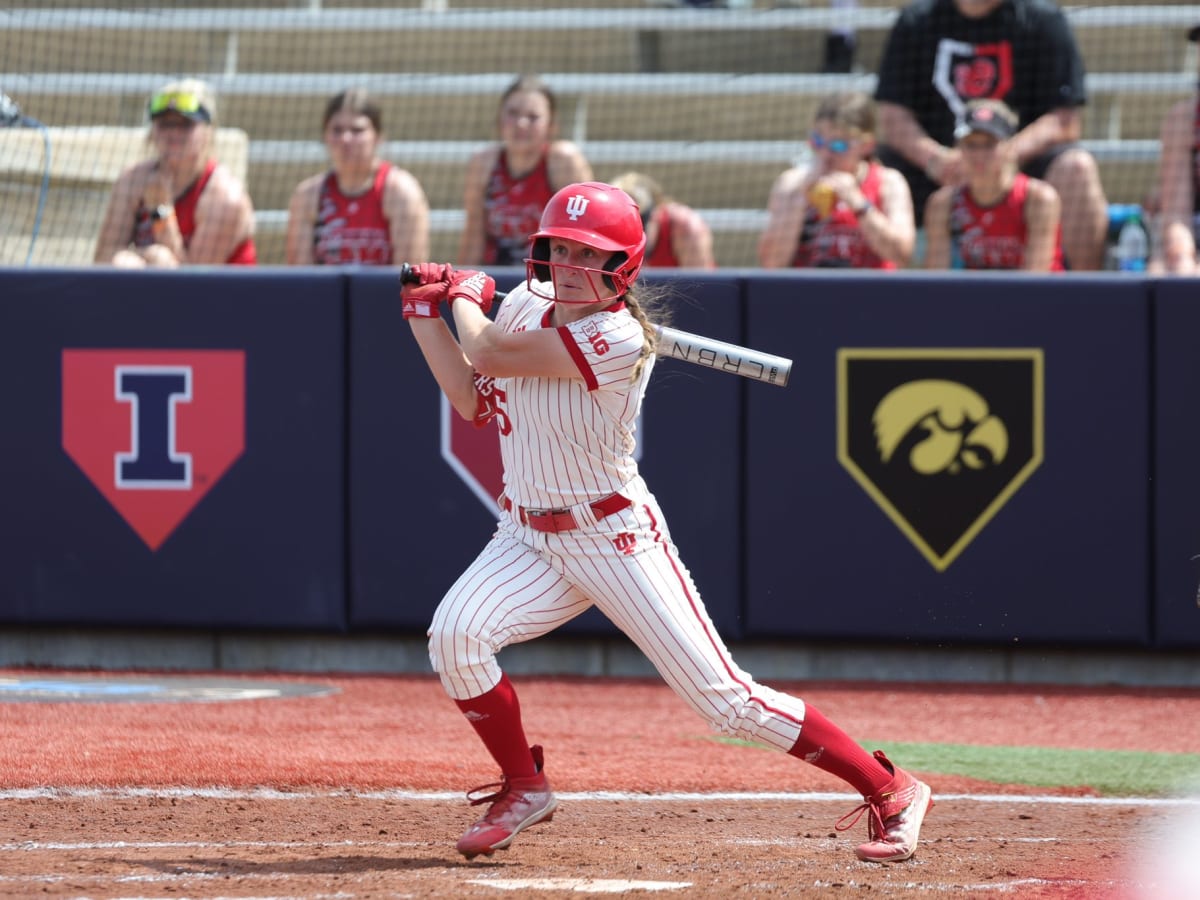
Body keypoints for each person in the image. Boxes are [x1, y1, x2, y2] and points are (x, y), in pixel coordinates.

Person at [400, 181, 934, 864]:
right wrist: (424, 312)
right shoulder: (529, 304)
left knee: (727, 703)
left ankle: (891, 789)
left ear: (622, 266)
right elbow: (475, 400)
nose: (567, 265)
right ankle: (524, 786)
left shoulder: (617, 338)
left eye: (587, 254)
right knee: (456, 637)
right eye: (558, 249)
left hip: (612, 538)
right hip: (528, 535)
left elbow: (492, 355)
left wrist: (468, 301)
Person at [874, 0, 1108, 271]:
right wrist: (938, 159)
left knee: (1076, 167)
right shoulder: (917, 21)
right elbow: (892, 118)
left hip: (1021, 167)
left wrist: (998, 156)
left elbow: (1064, 120)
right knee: (873, 171)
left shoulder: (1043, 20)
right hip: (938, 169)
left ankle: (1086, 299)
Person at [94, 79, 256, 267]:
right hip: (160, 289)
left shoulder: (225, 197)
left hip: (224, 295)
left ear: (208, 131)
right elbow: (103, 260)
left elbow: (194, 285)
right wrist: (136, 260)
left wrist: (160, 213)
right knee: (122, 262)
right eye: (165, 124)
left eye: (185, 124)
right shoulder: (132, 180)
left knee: (160, 259)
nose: (174, 133)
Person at [758, 92, 915, 269]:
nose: (825, 154)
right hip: (806, 291)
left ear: (867, 145)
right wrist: (798, 200)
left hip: (871, 292)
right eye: (818, 141)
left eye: (838, 145)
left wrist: (858, 203)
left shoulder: (889, 182)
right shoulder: (791, 183)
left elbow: (901, 255)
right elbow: (771, 263)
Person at [458, 74, 593, 267]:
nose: (521, 124)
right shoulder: (483, 162)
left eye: (533, 117)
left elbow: (582, 235)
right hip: (496, 276)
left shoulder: (563, 162)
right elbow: (473, 236)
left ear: (551, 125)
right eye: (512, 113)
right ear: (499, 120)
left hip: (548, 278)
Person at [285, 89, 430, 266]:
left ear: (378, 137)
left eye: (357, 130)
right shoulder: (308, 196)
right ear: (325, 136)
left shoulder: (400, 192)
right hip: (326, 294)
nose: (345, 139)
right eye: (337, 130)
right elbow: (303, 281)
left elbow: (409, 281)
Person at [924, 99, 1064, 271]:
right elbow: (937, 281)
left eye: (989, 145)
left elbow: (1035, 281)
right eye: (971, 145)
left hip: (1034, 296)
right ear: (958, 148)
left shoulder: (1038, 199)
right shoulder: (943, 204)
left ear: (1009, 148)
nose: (979, 155)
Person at [1149, 24, 1200, 275]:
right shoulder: (1183, 118)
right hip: (1194, 233)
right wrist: (1182, 257)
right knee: (1162, 272)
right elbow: (1177, 213)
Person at [609, 171, 716, 268]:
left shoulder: (685, 226)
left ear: (655, 213)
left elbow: (699, 283)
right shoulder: (607, 234)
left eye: (640, 219)